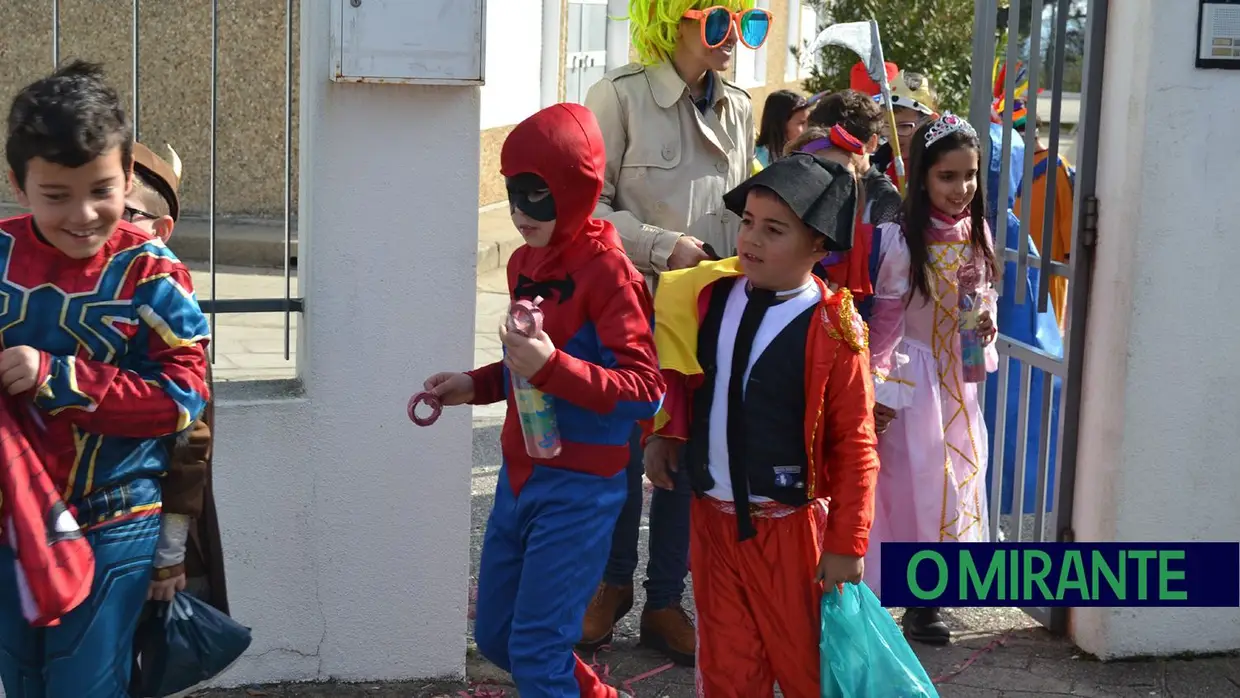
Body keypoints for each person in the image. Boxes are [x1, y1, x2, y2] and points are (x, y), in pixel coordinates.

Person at [421, 102, 664, 698]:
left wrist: (554, 367)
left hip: (579, 491)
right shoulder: (524, 262)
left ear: (575, 190)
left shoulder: (611, 275)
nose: (520, 211)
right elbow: (525, 366)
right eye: (512, 192)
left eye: (537, 193)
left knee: (535, 652)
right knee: (501, 638)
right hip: (520, 476)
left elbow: (645, 390)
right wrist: (475, 385)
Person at [0, 60, 212, 696]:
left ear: (126, 177)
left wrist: (58, 377)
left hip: (113, 517)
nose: (84, 214)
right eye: (56, 195)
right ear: (18, 185)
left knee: (84, 685)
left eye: (102, 190)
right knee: (22, 679)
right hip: (11, 517)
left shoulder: (152, 273)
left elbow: (184, 396)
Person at [644, 153, 880, 696]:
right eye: (748, 222)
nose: (751, 238)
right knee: (728, 669)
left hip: (790, 531)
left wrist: (848, 542)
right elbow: (681, 376)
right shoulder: (708, 295)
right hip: (712, 520)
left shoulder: (834, 326)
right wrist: (663, 434)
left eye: (774, 230)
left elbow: (856, 442)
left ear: (818, 245)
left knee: (807, 670)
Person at [581, 0, 770, 663]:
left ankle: (665, 601)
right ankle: (611, 587)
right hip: (630, 313)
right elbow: (587, 208)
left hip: (710, 316)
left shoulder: (739, 106)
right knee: (622, 458)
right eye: (720, 20)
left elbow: (746, 212)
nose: (735, 38)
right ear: (672, 18)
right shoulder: (618, 96)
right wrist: (663, 246)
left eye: (749, 22)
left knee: (688, 461)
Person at [862, 113, 999, 644]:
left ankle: (927, 600)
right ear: (921, 176)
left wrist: (984, 324)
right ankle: (877, 595)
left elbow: (977, 305)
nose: (961, 188)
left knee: (953, 480)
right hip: (912, 379)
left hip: (957, 381)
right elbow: (887, 323)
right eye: (947, 176)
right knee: (908, 484)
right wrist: (880, 391)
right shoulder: (900, 238)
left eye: (969, 175)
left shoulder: (977, 232)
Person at [123, 142, 229, 614]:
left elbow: (188, 440)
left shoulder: (168, 311)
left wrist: (169, 553)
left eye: (125, 212)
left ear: (161, 230)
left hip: (140, 525)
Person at [801, 89, 902, 320]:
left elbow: (890, 286)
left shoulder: (885, 200)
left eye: (843, 147)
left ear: (872, 143)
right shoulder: (811, 184)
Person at [1012, 112, 1075, 330]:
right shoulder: (1017, 164)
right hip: (1019, 255)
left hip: (1049, 257)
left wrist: (1069, 253)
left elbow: (1067, 211)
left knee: (1049, 324)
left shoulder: (1055, 164)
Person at [865, 69, 939, 186]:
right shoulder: (877, 164)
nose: (893, 135)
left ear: (931, 122)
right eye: (887, 126)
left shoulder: (943, 165)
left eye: (904, 126)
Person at [754, 89, 809, 167]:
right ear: (780, 124)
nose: (808, 128)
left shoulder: (808, 154)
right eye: (801, 123)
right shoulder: (756, 160)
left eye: (808, 122)